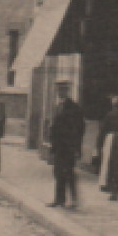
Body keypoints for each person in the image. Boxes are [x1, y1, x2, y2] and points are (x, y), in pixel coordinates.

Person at [48, 80, 85, 210]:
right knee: (58, 172)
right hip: (59, 146)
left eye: (63, 90)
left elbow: (79, 129)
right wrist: (52, 146)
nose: (60, 92)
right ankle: (59, 199)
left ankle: (74, 200)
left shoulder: (74, 108)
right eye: (59, 90)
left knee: (69, 173)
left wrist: (76, 147)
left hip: (69, 146)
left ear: (67, 91)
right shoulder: (57, 107)